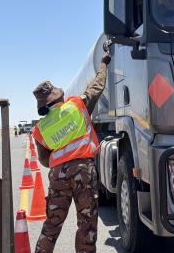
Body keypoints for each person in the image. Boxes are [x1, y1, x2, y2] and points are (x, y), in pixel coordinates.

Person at [32, 45, 111, 253]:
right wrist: (104, 63)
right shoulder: (76, 105)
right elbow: (97, 87)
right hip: (84, 172)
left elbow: (44, 160)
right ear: (58, 97)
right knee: (86, 224)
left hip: (58, 175)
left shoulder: (40, 130)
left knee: (51, 226)